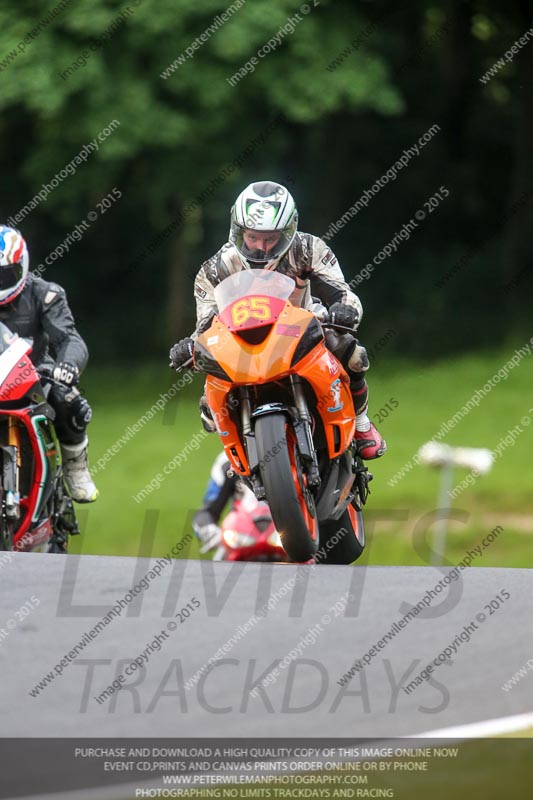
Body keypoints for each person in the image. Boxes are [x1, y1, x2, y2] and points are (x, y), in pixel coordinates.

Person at [169, 180, 386, 460]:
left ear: (288, 231)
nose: (261, 247)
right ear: (238, 231)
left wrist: (345, 311)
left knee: (353, 354)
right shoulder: (214, 269)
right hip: (243, 343)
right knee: (211, 406)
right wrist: (192, 345)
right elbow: (207, 323)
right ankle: (242, 456)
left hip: (305, 331)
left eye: (270, 238)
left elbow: (341, 291)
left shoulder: (309, 248)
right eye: (252, 237)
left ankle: (361, 423)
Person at [0, 225, 98, 502]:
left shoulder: (45, 294)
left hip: (33, 376)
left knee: (68, 400)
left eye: (3, 275)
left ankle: (75, 466)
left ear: (21, 266)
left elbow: (70, 339)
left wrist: (67, 366)